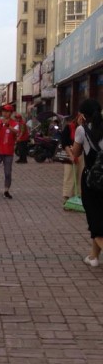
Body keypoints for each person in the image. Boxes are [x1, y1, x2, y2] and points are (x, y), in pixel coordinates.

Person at [71, 99, 103, 268]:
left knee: (94, 220)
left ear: (83, 114)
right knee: (100, 219)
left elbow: (76, 153)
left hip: (92, 180)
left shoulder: (82, 130)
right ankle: (93, 257)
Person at [0, 104, 19, 199]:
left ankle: (6, 190)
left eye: (7, 111)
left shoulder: (14, 123)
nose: (5, 113)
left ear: (11, 113)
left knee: (8, 173)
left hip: (8, 152)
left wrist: (8, 126)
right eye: (4, 111)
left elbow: (16, 132)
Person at [61, 113, 84, 203]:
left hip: (81, 155)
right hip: (69, 154)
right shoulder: (69, 127)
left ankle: (79, 197)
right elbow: (64, 143)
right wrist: (71, 155)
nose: (81, 121)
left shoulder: (84, 129)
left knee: (81, 176)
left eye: (83, 119)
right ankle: (67, 198)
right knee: (69, 176)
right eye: (80, 119)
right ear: (77, 118)